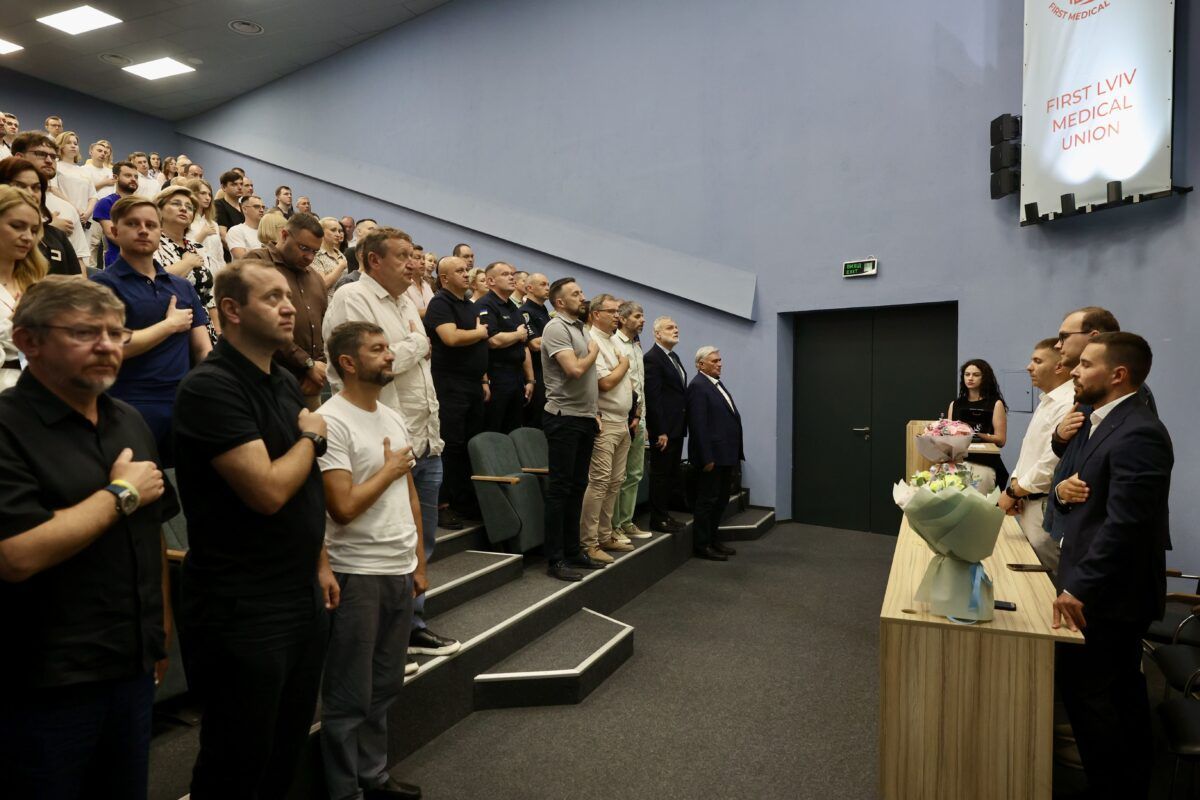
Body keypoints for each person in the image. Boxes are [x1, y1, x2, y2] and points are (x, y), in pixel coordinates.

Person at [0, 277, 176, 799]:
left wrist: (158, 631)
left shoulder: (128, 419)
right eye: (84, 333)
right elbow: (16, 554)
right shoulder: (7, 427)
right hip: (44, 683)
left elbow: (151, 535)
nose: (106, 346)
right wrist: (121, 494)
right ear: (28, 341)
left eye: (116, 333)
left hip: (130, 667)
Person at [173, 259, 337, 798]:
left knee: (284, 748)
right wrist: (312, 438)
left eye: (289, 297)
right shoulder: (210, 387)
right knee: (237, 759)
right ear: (232, 310)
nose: (289, 308)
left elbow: (304, 487)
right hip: (243, 603)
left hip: (298, 592)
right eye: (272, 298)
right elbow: (267, 491)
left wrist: (319, 561)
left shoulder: (283, 383)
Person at [323, 228, 460, 657]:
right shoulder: (353, 297)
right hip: (376, 439)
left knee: (420, 538)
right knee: (377, 535)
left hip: (421, 435)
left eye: (414, 256)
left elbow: (411, 360)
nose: (413, 264)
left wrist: (413, 347)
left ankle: (411, 625)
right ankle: (379, 638)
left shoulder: (404, 302)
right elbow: (375, 363)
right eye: (402, 256)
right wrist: (417, 343)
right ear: (373, 260)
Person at [1049, 332, 1171, 800]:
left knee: (1094, 696)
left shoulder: (1139, 431)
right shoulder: (1097, 421)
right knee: (1116, 694)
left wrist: (1078, 587)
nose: (1074, 371)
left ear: (1118, 374)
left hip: (1110, 594)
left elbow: (1127, 525)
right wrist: (1061, 494)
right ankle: (1125, 783)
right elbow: (1069, 479)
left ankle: (1115, 786)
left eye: (1085, 365)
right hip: (1096, 582)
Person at [318, 321, 424, 800]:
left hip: (398, 567)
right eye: (378, 349)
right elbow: (342, 506)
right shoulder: (330, 420)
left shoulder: (392, 416)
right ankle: (345, 790)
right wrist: (389, 470)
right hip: (355, 570)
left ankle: (374, 776)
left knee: (384, 685)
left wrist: (419, 560)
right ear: (348, 362)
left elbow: (410, 493)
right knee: (349, 694)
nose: (390, 355)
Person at [90, 197, 212, 462]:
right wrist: (169, 325)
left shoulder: (182, 287)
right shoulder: (102, 285)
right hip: (127, 405)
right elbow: (112, 347)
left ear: (160, 231)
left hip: (183, 404)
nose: (143, 230)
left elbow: (203, 349)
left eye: (151, 225)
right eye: (133, 224)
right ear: (115, 231)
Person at [540, 277, 607, 581]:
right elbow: (574, 370)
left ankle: (572, 550)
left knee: (578, 487)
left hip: (584, 417)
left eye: (581, 291)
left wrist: (594, 412)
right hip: (563, 417)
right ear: (559, 302)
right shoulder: (556, 328)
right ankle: (555, 559)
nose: (582, 297)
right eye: (575, 294)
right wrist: (593, 352)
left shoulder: (580, 328)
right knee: (560, 490)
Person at [997, 338, 1074, 570]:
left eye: (1037, 361)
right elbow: (1029, 451)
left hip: (1045, 505)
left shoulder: (1067, 403)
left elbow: (1052, 462)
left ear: (1059, 366)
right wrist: (1016, 484)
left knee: (1048, 579)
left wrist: (1013, 492)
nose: (1029, 367)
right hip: (1029, 500)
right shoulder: (1047, 400)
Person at [425, 256, 490, 527]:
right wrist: (480, 332)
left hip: (473, 384)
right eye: (459, 271)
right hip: (450, 384)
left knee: (468, 445)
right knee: (450, 445)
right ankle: (443, 504)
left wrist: (484, 380)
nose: (466, 274)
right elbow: (450, 338)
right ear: (444, 278)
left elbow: (476, 347)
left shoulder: (468, 304)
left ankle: (463, 502)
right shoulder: (441, 302)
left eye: (467, 270)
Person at [244, 213, 330, 411]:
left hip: (309, 384)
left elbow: (323, 328)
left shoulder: (315, 278)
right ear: (284, 235)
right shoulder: (257, 261)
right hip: (268, 381)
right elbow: (259, 323)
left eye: (315, 252)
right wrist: (307, 364)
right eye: (304, 248)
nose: (309, 257)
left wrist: (318, 369)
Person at [578, 293, 634, 563]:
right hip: (605, 421)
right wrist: (624, 365)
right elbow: (605, 383)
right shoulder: (592, 340)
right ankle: (588, 542)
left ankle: (605, 534)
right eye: (611, 311)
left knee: (615, 482)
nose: (617, 316)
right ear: (595, 314)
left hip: (621, 421)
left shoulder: (612, 340)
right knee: (599, 482)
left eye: (618, 311)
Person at [686, 346, 742, 561]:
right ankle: (702, 545)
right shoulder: (698, 386)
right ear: (701, 364)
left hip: (726, 454)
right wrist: (706, 457)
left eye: (719, 360)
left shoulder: (715, 383)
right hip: (712, 457)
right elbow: (698, 425)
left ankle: (713, 539)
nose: (720, 364)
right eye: (714, 361)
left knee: (721, 500)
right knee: (707, 501)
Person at [11, 131, 91, 270]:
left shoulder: (66, 208)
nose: (49, 160)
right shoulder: (5, 200)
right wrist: (49, 230)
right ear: (19, 157)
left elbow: (79, 263)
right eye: (40, 154)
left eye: (54, 157)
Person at [475, 261, 534, 434]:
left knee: (514, 430)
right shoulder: (485, 305)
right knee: (494, 430)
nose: (511, 277)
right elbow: (493, 340)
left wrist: (530, 380)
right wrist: (517, 334)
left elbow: (524, 346)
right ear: (491, 281)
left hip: (517, 376)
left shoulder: (513, 306)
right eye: (505, 274)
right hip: (497, 375)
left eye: (512, 274)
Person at [154, 186, 219, 344]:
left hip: (204, 325)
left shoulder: (196, 247)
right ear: (159, 210)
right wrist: (187, 263)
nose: (183, 209)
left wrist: (219, 330)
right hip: (167, 324)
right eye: (176, 204)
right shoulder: (151, 242)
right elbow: (154, 279)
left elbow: (209, 296)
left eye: (189, 207)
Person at [0, 185, 49, 389]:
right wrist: (13, 324)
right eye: (17, 226)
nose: (28, 236)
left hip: (37, 394)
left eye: (33, 230)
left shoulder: (36, 282)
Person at [0, 157, 83, 278]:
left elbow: (77, 280)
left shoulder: (57, 235)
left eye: (36, 188)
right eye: (19, 186)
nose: (30, 193)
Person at [643, 316, 688, 532]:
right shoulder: (652, 358)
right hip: (664, 429)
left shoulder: (673, 357)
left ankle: (665, 515)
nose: (676, 330)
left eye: (676, 327)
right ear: (657, 334)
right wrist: (660, 430)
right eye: (670, 328)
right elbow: (653, 398)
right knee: (660, 475)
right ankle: (657, 519)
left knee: (671, 474)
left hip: (676, 427)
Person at [612, 301, 650, 541]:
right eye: (637, 316)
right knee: (617, 475)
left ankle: (626, 522)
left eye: (642, 316)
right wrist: (632, 416)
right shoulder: (614, 343)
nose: (642, 320)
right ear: (623, 319)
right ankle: (613, 525)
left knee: (635, 473)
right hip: (623, 417)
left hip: (639, 417)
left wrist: (643, 417)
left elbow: (640, 385)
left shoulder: (637, 345)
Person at [947, 358, 1008, 491]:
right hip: (958, 460)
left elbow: (1001, 440)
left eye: (976, 375)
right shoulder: (955, 404)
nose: (970, 378)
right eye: (967, 374)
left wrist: (977, 435)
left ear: (984, 378)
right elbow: (949, 436)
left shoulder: (995, 404)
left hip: (984, 461)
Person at [52, 132, 97, 268]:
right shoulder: (55, 166)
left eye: (75, 143)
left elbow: (93, 196)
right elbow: (53, 189)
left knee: (83, 257)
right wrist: (74, 209)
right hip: (65, 217)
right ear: (60, 146)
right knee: (66, 257)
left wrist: (87, 213)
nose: (73, 146)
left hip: (84, 220)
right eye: (68, 143)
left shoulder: (83, 171)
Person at [93, 160, 140, 267]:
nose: (133, 179)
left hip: (144, 261)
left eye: (136, 177)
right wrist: (140, 248)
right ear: (115, 177)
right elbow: (111, 234)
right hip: (117, 262)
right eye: (128, 175)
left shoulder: (143, 204)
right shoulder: (106, 202)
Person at [520, 272, 551, 428]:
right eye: (543, 284)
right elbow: (534, 343)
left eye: (548, 284)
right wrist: (560, 340)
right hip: (535, 372)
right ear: (530, 288)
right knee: (535, 419)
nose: (548, 288)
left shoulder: (544, 310)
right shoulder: (525, 312)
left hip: (548, 372)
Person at [184, 177, 226, 270]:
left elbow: (220, 255)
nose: (208, 198)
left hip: (216, 273)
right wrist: (203, 234)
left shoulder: (213, 224)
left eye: (209, 194)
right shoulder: (185, 221)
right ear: (192, 194)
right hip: (195, 272)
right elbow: (184, 251)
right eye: (203, 193)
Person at [312, 216, 349, 294]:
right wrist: (340, 266)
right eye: (333, 230)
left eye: (339, 231)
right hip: (326, 300)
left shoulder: (341, 255)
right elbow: (323, 285)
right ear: (321, 232)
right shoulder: (315, 254)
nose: (338, 234)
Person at [214, 170, 245, 259]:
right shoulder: (219, 205)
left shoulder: (244, 207)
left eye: (241, 184)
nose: (239, 187)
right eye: (234, 184)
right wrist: (239, 255)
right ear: (224, 187)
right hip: (229, 257)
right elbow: (222, 235)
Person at [226, 194, 265, 259]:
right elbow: (242, 258)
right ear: (244, 209)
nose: (261, 210)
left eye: (263, 207)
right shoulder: (236, 230)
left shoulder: (266, 231)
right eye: (256, 206)